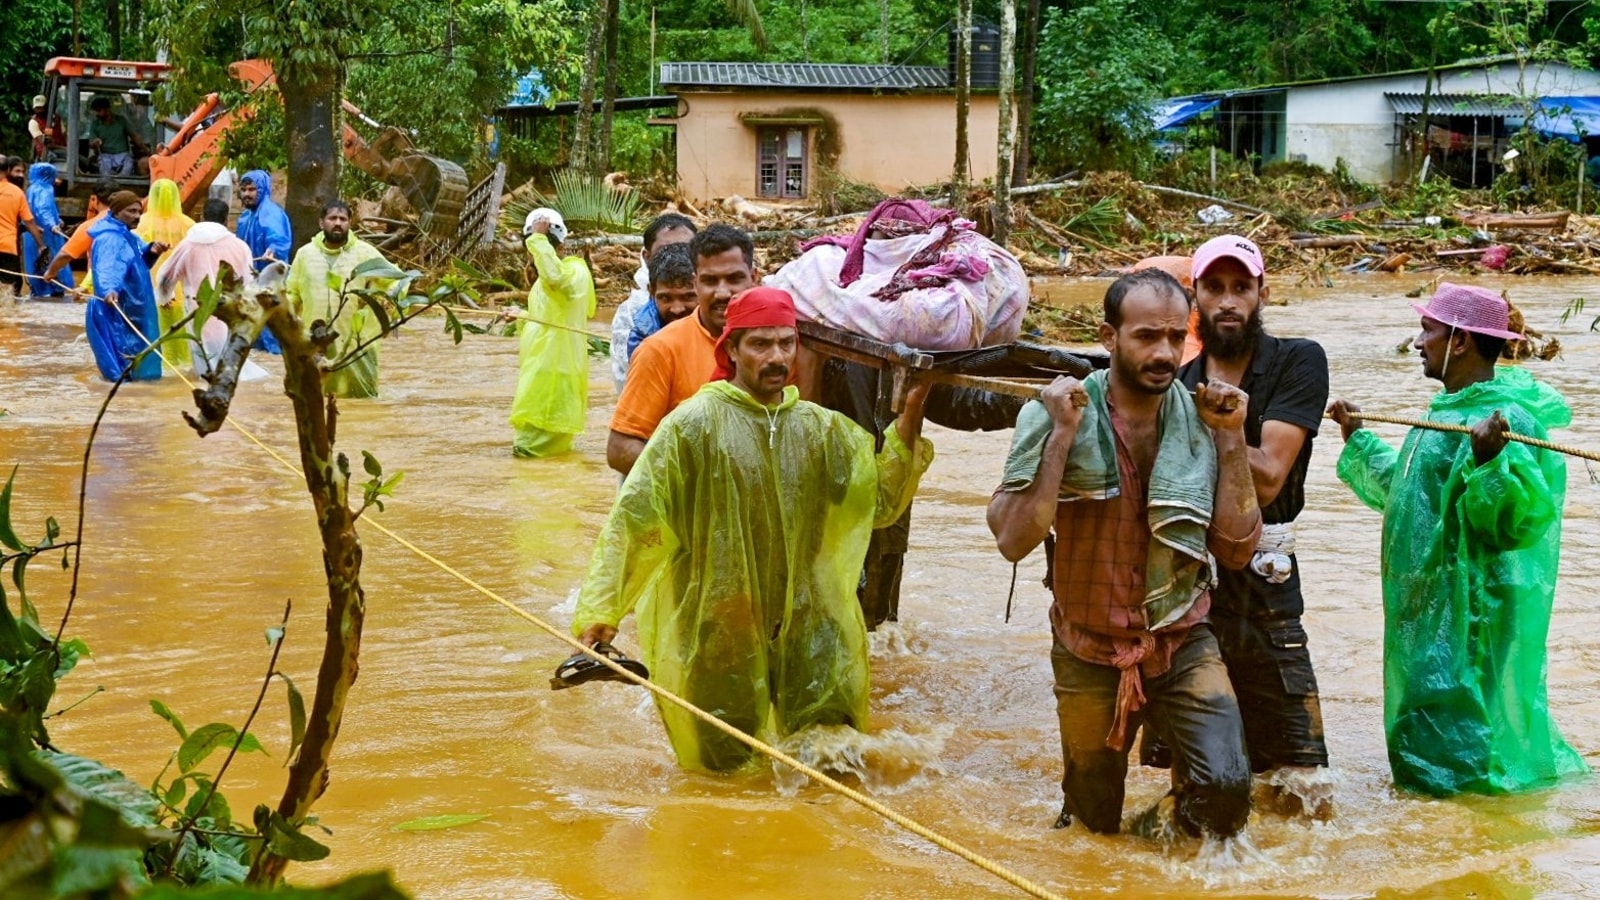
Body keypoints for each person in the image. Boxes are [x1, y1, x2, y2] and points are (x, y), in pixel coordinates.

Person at [572, 286, 935, 772]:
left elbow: (880, 504)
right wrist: (603, 609)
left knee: (831, 760)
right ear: (732, 349)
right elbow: (637, 519)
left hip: (810, 618)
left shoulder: (823, 431)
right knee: (722, 768)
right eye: (761, 344)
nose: (777, 356)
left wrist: (909, 422)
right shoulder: (692, 426)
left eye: (786, 343)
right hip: (718, 621)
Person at [987, 268, 1262, 841]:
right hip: (1089, 646)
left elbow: (1236, 550)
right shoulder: (1054, 413)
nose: (1164, 352)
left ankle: (1158, 834)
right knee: (1092, 821)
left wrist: (1233, 438)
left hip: (1180, 636)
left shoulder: (1205, 420)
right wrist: (1062, 436)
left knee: (1228, 791)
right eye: (1145, 337)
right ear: (1109, 338)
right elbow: (1014, 538)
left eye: (1174, 336)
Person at [1328, 283, 1586, 797]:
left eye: (1429, 330)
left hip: (1474, 607)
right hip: (1428, 607)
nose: (1420, 341)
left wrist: (1491, 461)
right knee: (1429, 721)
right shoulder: (1445, 412)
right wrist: (1356, 435)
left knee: (1464, 730)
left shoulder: (1508, 421)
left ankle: (1476, 826)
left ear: (1461, 340)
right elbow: (1411, 498)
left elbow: (1516, 523)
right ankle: (1451, 824)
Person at [1174, 235, 1332, 816]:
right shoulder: (1175, 378)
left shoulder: (1298, 360)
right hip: (1188, 582)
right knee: (1196, 784)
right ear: (1196, 296)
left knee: (1303, 784)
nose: (1228, 301)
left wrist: (1221, 425)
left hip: (1268, 581)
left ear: (1264, 293)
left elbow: (1266, 482)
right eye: (1214, 288)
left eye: (1241, 287)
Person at [607, 223, 757, 475]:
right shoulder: (659, 349)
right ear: (696, 282)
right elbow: (620, 449)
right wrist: (698, 480)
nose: (722, 293)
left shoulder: (778, 343)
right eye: (710, 281)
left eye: (734, 279)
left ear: (755, 277)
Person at [509, 208, 596, 458]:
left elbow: (557, 280)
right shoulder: (544, 281)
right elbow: (547, 320)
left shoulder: (574, 272)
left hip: (557, 374)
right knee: (532, 453)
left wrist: (537, 239)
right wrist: (522, 316)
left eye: (543, 245)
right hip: (540, 373)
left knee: (531, 451)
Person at [284, 199, 393, 398]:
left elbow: (396, 280)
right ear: (321, 223)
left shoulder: (365, 253)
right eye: (332, 218)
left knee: (361, 398)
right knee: (314, 396)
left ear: (349, 223)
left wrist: (385, 307)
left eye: (343, 219)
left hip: (356, 341)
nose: (337, 223)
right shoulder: (305, 254)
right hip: (315, 339)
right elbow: (292, 294)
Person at [155, 199, 264, 382]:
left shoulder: (188, 245)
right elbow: (249, 284)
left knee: (203, 365)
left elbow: (165, 276)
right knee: (231, 362)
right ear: (226, 220)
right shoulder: (240, 247)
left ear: (202, 217)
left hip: (197, 312)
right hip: (230, 313)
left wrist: (166, 297)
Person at [610, 212, 697, 392]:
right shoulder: (633, 314)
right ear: (647, 256)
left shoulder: (715, 302)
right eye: (665, 250)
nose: (675, 256)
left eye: (685, 249)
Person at [85, 191, 167, 382]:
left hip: (135, 307)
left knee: (141, 354)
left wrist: (151, 251)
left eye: (139, 211)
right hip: (119, 310)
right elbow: (108, 268)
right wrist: (108, 290)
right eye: (131, 211)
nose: (137, 216)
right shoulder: (110, 238)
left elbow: (136, 264)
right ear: (116, 211)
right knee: (124, 364)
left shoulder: (129, 236)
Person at [136, 179, 196, 370]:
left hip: (153, 286)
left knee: (158, 333)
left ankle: (165, 370)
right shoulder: (189, 224)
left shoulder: (142, 222)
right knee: (183, 333)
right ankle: (185, 367)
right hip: (181, 287)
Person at [236, 170, 292, 354]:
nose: (247, 194)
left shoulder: (272, 214)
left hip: (270, 283)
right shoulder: (244, 218)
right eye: (243, 189)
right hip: (251, 283)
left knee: (272, 332)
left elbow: (279, 240)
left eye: (252, 189)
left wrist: (273, 250)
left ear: (263, 190)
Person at [42, 178, 118, 291]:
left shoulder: (91, 226)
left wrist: (51, 271)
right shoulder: (125, 223)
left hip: (102, 287)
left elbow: (65, 255)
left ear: (94, 199)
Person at [626, 242, 698, 359]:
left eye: (688, 297)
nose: (677, 309)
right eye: (666, 298)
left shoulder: (722, 327)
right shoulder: (642, 340)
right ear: (651, 292)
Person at [22, 163, 69, 298]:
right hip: (46, 234)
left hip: (33, 232)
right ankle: (55, 289)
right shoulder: (45, 189)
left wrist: (57, 219)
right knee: (51, 261)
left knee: (35, 263)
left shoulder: (31, 189)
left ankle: (38, 291)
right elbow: (43, 209)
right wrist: (52, 224)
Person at [0, 158, 44, 297]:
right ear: (7, 171)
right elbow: (30, 222)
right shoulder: (17, 193)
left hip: (9, 246)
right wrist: (41, 245)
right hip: (7, 247)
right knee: (7, 293)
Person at [87, 96, 146, 177]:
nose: (97, 114)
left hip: (123, 155)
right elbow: (91, 143)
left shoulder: (122, 121)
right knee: (104, 170)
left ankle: (124, 184)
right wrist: (95, 142)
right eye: (96, 111)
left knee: (128, 166)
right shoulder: (95, 124)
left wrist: (147, 151)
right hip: (105, 155)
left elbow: (134, 136)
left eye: (99, 111)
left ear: (107, 109)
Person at [28, 95, 62, 162]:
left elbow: (64, 134)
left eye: (41, 107)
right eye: (37, 108)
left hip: (61, 149)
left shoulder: (56, 118)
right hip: (47, 153)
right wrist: (67, 149)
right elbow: (47, 144)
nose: (39, 110)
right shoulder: (33, 122)